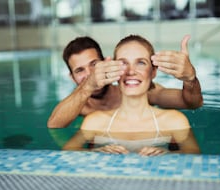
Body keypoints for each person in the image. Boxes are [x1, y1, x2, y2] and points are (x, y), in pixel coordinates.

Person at [62, 35, 200, 156]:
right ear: (113, 70)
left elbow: (195, 155)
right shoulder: (95, 121)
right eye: (123, 63)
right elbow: (68, 150)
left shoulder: (173, 120)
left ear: (153, 72)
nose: (131, 71)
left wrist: (169, 155)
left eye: (140, 62)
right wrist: (95, 152)